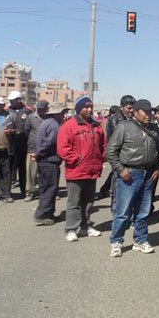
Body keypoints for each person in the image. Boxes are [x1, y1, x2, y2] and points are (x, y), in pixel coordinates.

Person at [106, 99, 159, 257]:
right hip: (129, 175)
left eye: (150, 112)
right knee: (123, 211)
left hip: (148, 175)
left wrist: (158, 167)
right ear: (136, 112)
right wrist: (121, 170)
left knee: (143, 211)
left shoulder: (153, 128)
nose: (148, 115)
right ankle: (116, 241)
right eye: (145, 112)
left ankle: (140, 240)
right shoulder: (124, 127)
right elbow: (110, 152)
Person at [57, 96, 106, 242]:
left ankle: (85, 226)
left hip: (92, 170)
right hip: (76, 171)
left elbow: (103, 144)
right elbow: (63, 148)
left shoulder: (96, 126)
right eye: (86, 107)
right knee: (74, 202)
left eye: (91, 107)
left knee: (89, 201)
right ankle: (71, 228)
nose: (89, 110)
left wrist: (102, 157)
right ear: (79, 109)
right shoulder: (69, 126)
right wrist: (76, 160)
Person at [34, 106, 69, 226]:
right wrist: (39, 153)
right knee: (49, 188)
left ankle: (48, 213)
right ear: (56, 114)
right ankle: (42, 215)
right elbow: (49, 143)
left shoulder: (46, 123)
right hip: (49, 161)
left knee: (46, 188)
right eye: (62, 113)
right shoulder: (54, 126)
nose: (64, 115)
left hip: (44, 160)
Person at [100, 94, 136, 199]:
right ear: (121, 107)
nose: (131, 110)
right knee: (116, 185)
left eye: (133, 108)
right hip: (119, 157)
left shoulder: (131, 119)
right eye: (129, 108)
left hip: (129, 158)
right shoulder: (115, 120)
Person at [7, 90, 32, 198]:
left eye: (12, 100)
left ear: (18, 100)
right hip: (10, 143)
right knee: (9, 168)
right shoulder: (7, 110)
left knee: (23, 168)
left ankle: (23, 190)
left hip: (23, 143)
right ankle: (7, 192)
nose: (10, 102)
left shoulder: (27, 110)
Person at [24, 100, 50, 202]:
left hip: (47, 149)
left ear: (46, 109)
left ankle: (47, 192)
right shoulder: (31, 117)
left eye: (42, 109)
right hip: (33, 148)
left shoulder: (49, 118)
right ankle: (30, 192)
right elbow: (26, 131)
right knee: (31, 172)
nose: (39, 110)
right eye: (38, 108)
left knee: (46, 172)